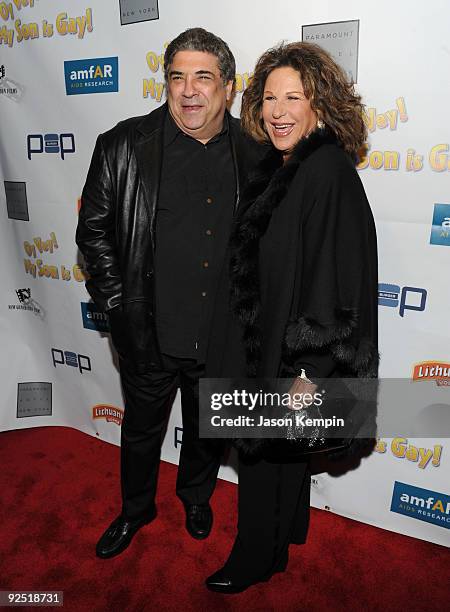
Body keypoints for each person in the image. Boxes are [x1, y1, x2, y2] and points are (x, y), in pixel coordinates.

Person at [76, 27, 260, 559]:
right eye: (177, 77)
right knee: (139, 432)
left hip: (221, 332)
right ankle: (135, 510)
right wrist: (117, 306)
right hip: (147, 332)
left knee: (205, 430)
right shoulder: (122, 145)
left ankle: (196, 496)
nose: (189, 90)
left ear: (228, 86)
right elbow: (94, 232)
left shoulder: (254, 156)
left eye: (203, 77)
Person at [205, 42, 378, 593]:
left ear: (319, 105)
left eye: (293, 98)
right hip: (269, 341)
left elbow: (334, 279)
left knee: (263, 458)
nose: (277, 111)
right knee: (278, 453)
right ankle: (280, 542)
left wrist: (309, 368)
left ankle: (254, 554)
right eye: (269, 98)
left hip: (294, 355)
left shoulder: (325, 172)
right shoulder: (285, 167)